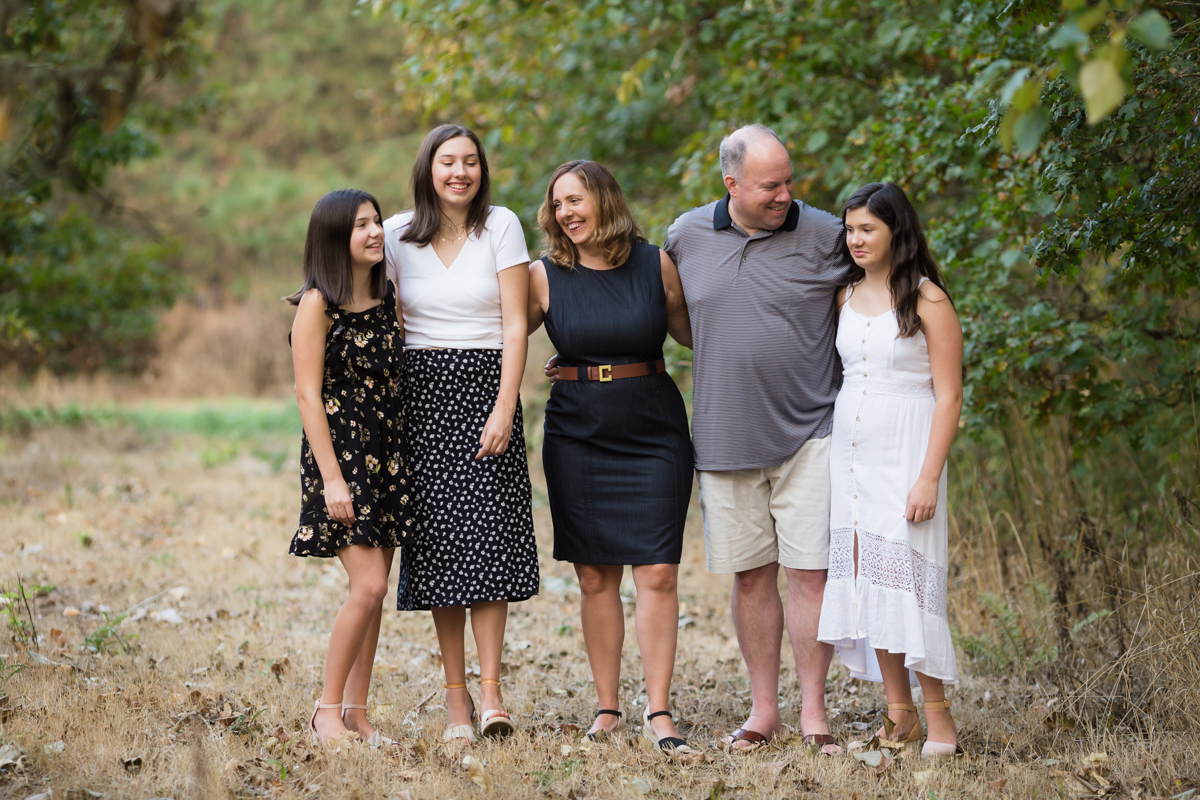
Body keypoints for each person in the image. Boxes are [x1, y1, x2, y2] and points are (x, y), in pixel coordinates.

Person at [663, 124, 853, 755]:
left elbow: (878, 295)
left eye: (789, 181)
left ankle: (813, 712)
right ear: (732, 184)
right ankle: (763, 710)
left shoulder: (828, 233)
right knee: (751, 578)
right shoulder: (686, 236)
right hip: (723, 435)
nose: (785, 195)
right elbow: (665, 313)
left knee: (811, 575)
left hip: (811, 431)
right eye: (771, 185)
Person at [529, 161, 701, 762]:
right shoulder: (543, 276)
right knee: (595, 574)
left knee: (657, 572)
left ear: (605, 199)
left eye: (575, 200)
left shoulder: (656, 263)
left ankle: (660, 711)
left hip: (654, 430)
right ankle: (608, 708)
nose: (565, 213)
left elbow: (698, 334)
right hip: (577, 433)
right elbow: (487, 334)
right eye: (557, 205)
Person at [384, 124, 537, 743]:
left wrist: (505, 408)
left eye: (470, 162)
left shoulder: (500, 225)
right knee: (442, 547)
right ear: (428, 169)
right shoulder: (395, 233)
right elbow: (381, 315)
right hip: (421, 397)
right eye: (448, 162)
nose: (460, 173)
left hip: (485, 389)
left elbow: (516, 325)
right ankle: (455, 701)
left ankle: (494, 692)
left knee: (489, 541)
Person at [816, 182, 962, 758]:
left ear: (896, 232)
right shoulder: (844, 296)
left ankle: (940, 720)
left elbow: (949, 397)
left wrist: (928, 476)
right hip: (851, 455)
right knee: (867, 574)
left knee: (908, 581)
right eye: (849, 229)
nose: (855, 239)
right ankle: (898, 716)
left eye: (867, 229)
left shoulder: (928, 300)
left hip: (908, 453)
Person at [286, 188, 414, 749]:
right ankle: (325, 712)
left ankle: (358, 716)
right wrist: (333, 478)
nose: (375, 232)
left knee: (376, 592)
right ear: (336, 237)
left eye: (377, 221)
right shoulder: (318, 303)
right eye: (361, 225)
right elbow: (307, 395)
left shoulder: (388, 296)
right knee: (370, 584)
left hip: (386, 457)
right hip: (339, 461)